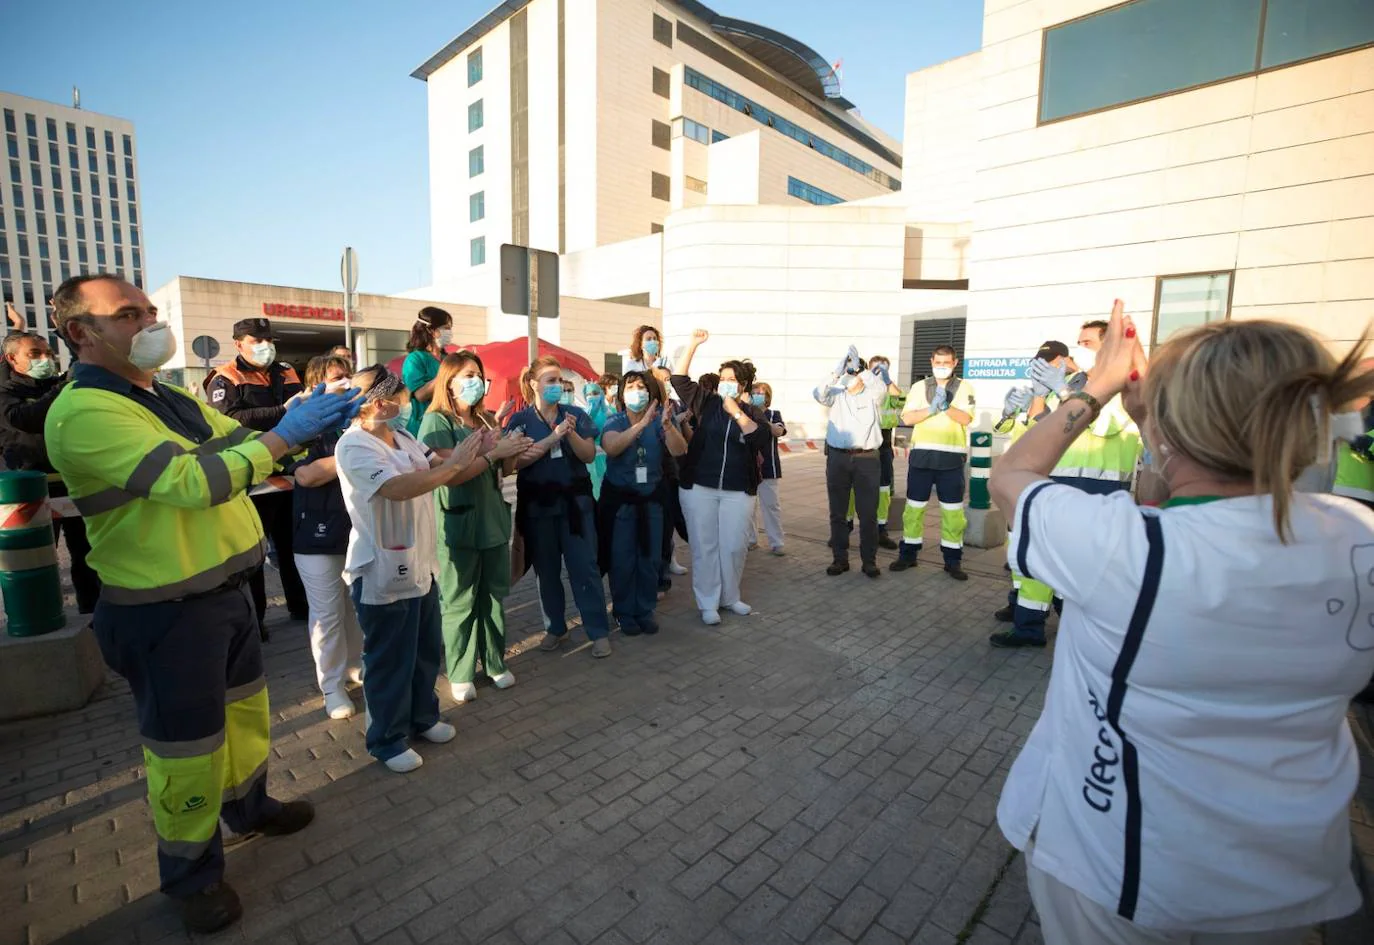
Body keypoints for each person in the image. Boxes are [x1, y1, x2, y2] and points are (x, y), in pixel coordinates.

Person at [990, 301, 1374, 945]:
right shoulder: (1357, 537)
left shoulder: (1126, 547)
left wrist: (1098, 386)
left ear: (1173, 426)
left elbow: (1013, 475)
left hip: (1119, 874)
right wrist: (1159, 430)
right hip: (1282, 883)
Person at [44, 274, 360, 933]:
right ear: (81, 332)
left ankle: (248, 808)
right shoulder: (84, 412)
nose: (150, 323)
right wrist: (284, 435)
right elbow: (192, 480)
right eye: (129, 313)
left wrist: (300, 423)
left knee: (244, 722)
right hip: (165, 612)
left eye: (150, 310)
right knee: (185, 750)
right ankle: (191, 875)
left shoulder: (165, 396)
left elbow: (233, 443)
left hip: (226, 594)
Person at [335, 364, 479, 773]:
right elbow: (396, 489)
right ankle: (386, 739)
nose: (405, 402)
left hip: (419, 565)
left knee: (423, 651)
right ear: (378, 403)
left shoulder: (404, 436)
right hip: (381, 568)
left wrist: (486, 452)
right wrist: (451, 467)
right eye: (399, 396)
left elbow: (443, 472)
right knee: (389, 659)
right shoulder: (355, 445)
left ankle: (423, 717)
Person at [991, 325, 1141, 646]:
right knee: (1040, 556)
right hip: (1057, 481)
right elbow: (1050, 431)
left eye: (1086, 343)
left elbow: (1102, 425)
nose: (1078, 350)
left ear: (1108, 347)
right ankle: (1028, 625)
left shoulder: (1122, 385)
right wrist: (1034, 403)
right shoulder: (1078, 384)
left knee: (1080, 568)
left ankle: (1084, 631)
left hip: (1097, 489)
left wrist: (1061, 393)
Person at [419, 352, 530, 703]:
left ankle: (495, 662)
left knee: (493, 596)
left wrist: (511, 450)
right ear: (449, 381)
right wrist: (494, 454)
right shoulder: (436, 422)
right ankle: (461, 671)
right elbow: (451, 474)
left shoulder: (483, 418)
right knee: (459, 600)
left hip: (493, 521)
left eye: (479, 375)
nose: (475, 381)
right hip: (460, 523)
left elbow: (504, 470)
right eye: (467, 375)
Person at [205, 316, 309, 632]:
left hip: (290, 474)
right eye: (255, 341)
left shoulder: (286, 371)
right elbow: (231, 420)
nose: (264, 347)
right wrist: (282, 413)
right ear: (239, 344)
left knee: (293, 547)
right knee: (253, 554)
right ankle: (257, 619)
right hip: (253, 476)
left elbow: (302, 406)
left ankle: (301, 608)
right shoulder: (225, 378)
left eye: (267, 341)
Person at [510, 356, 613, 657]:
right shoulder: (520, 421)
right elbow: (515, 462)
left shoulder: (576, 415)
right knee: (547, 572)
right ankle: (555, 627)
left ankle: (597, 630)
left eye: (559, 381)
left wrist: (570, 434)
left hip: (575, 506)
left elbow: (589, 456)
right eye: (550, 381)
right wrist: (551, 439)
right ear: (533, 384)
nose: (557, 386)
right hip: (539, 507)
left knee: (585, 568)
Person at [672, 330, 772, 624]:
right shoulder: (706, 402)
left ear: (742, 385)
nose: (726, 383)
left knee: (733, 546)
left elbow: (760, 439)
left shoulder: (752, 412)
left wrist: (737, 413)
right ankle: (707, 602)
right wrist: (693, 345)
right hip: (700, 487)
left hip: (737, 490)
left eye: (731, 379)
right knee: (705, 546)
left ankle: (730, 597)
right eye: (723, 378)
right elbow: (679, 380)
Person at [0, 331, 101, 612]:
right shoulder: (7, 395)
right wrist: (63, 388)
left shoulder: (58, 385)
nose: (45, 359)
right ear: (12, 359)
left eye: (47, 353)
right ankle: (37, 616)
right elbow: (26, 420)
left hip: (72, 483)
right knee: (32, 558)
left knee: (86, 555)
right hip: (28, 491)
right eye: (35, 354)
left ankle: (91, 614)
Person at [289, 355, 364, 720]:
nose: (346, 382)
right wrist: (351, 452)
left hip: (355, 531)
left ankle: (354, 667)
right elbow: (305, 476)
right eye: (337, 378)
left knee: (354, 608)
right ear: (317, 385)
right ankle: (331, 687)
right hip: (315, 536)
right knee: (328, 614)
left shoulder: (354, 419)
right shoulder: (302, 424)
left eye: (348, 376)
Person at [599, 370, 687, 634]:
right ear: (622, 394)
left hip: (651, 502)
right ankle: (624, 612)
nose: (637, 391)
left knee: (649, 559)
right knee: (623, 559)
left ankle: (645, 609)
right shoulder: (614, 421)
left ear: (650, 393)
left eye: (642, 387)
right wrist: (639, 424)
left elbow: (679, 449)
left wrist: (668, 426)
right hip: (621, 505)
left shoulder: (660, 423)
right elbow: (611, 447)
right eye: (631, 387)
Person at [890, 345, 975, 581]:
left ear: (955, 363)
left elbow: (966, 418)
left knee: (953, 513)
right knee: (914, 510)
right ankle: (908, 555)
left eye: (946, 363)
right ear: (931, 361)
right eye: (938, 362)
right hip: (922, 459)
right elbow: (907, 417)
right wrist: (932, 408)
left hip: (951, 461)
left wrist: (946, 407)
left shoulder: (964, 387)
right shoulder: (919, 387)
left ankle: (952, 560)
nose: (942, 367)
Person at [815, 345, 886, 579]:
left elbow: (879, 387)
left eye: (853, 372)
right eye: (848, 372)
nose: (851, 377)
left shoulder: (873, 393)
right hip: (838, 457)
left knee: (867, 514)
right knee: (837, 513)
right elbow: (818, 392)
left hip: (867, 459)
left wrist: (860, 370)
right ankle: (840, 559)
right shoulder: (837, 394)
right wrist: (836, 372)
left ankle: (869, 561)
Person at [401, 306, 453, 437]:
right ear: (431, 330)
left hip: (448, 422)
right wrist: (447, 372)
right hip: (424, 426)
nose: (450, 332)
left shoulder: (447, 358)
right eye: (446, 328)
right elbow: (420, 395)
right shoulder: (415, 359)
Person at [748, 381, 786, 555]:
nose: (757, 394)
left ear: (767, 396)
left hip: (768, 467)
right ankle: (751, 539)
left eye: (761, 392)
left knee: (771, 506)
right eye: (754, 391)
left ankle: (776, 542)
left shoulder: (773, 415)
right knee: (748, 506)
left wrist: (763, 420)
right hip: (747, 466)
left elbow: (778, 431)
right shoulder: (745, 413)